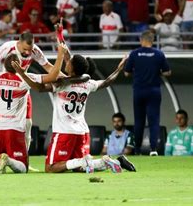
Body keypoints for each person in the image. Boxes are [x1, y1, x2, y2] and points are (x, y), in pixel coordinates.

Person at [13, 40, 133, 173]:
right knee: (80, 168)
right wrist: (119, 68)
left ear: (73, 68)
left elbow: (39, 88)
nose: (67, 62)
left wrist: (22, 74)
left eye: (69, 62)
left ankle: (83, 160)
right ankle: (114, 161)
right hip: (82, 132)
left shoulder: (62, 84)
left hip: (64, 132)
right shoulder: (88, 84)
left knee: (51, 168)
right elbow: (107, 82)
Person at [0, 24, 53, 174]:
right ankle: (11, 160)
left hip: (19, 88)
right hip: (6, 86)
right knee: (5, 122)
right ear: (18, 43)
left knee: (27, 124)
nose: (27, 52)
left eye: (29, 49)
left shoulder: (34, 50)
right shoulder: (7, 47)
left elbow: (47, 66)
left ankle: (16, 157)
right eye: (25, 49)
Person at [124, 30, 172, 156]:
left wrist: (138, 72)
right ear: (153, 41)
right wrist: (157, 72)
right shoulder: (159, 54)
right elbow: (168, 72)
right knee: (154, 120)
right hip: (154, 91)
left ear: (141, 40)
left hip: (139, 90)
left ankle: (138, 150)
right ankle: (153, 149)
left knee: (139, 121)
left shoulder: (134, 54)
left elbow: (126, 73)